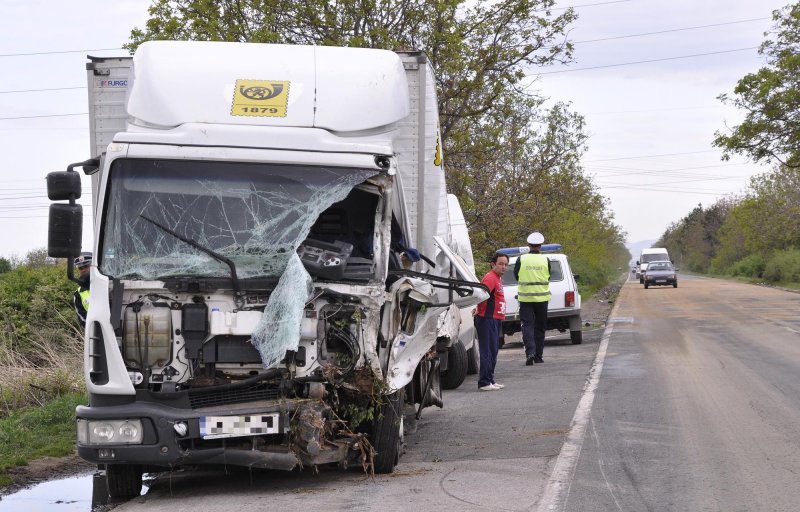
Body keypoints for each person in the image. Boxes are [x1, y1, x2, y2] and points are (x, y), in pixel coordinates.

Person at [514, 232, 551, 365]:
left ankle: (530, 352)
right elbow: (548, 277)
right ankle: (539, 356)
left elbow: (516, 276)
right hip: (542, 299)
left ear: (528, 245)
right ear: (540, 246)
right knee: (540, 327)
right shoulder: (545, 260)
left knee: (527, 326)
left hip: (525, 300)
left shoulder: (521, 259)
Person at [473, 252, 508, 391]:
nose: (503, 267)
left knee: (493, 350)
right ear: (493, 264)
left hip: (495, 319)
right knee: (487, 350)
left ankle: (490, 379)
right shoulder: (490, 278)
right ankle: (484, 382)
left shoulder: (497, 278)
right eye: (500, 264)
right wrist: (479, 311)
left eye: (505, 264)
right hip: (487, 319)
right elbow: (482, 297)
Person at [73, 252, 92, 328]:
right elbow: (82, 318)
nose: (84, 270)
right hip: (95, 333)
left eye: (86, 266)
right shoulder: (78, 294)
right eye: (81, 268)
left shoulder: (107, 283)